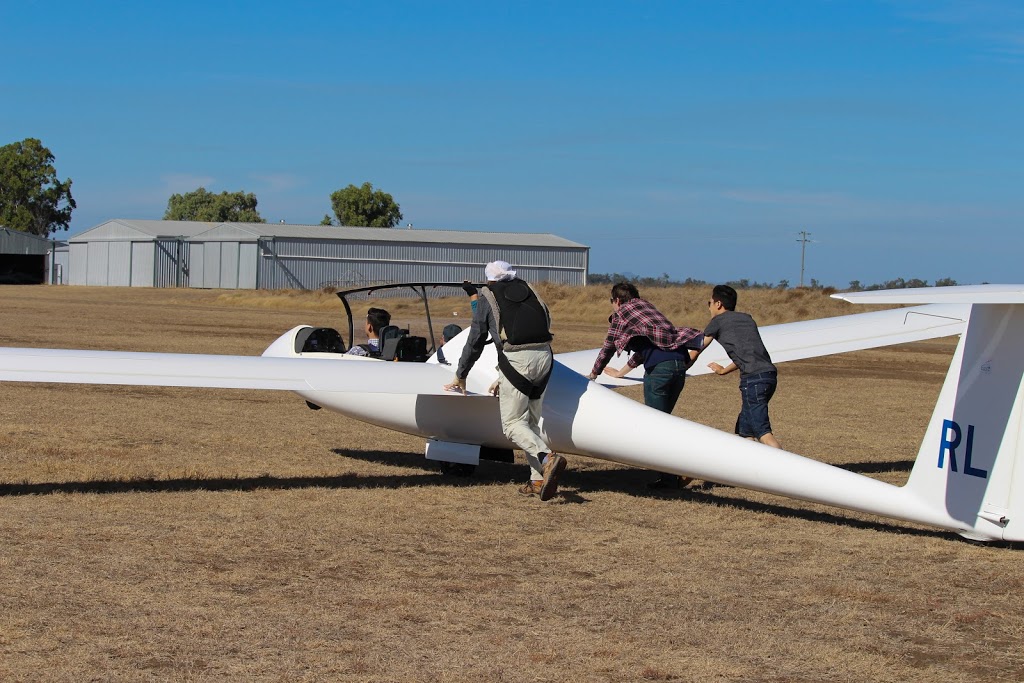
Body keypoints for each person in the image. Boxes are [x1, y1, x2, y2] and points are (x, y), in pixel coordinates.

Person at [443, 260, 567, 501]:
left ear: (489, 279)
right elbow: (545, 321)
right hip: (545, 356)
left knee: (512, 425)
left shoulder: (488, 296)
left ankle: (547, 458)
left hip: (517, 359)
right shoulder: (529, 290)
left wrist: (461, 374)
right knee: (529, 423)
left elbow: (476, 338)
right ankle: (537, 479)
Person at [586, 282, 704, 488]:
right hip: (679, 366)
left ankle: (675, 475)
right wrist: (622, 372)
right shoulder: (648, 308)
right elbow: (647, 348)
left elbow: (609, 346)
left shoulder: (622, 313)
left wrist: (594, 373)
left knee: (656, 427)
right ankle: (674, 472)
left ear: (617, 300)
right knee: (664, 423)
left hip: (660, 371)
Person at [697, 284, 781, 449]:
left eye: (709, 303)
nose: (709, 307)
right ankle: (750, 471)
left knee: (762, 432)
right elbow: (746, 353)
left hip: (753, 380)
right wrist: (723, 370)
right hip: (768, 376)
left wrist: (681, 366)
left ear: (718, 304)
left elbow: (698, 347)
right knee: (744, 430)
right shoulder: (747, 319)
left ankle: (787, 469)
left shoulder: (717, 321)